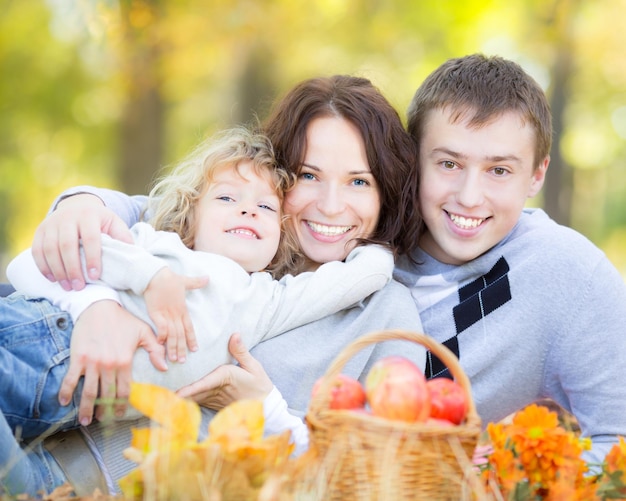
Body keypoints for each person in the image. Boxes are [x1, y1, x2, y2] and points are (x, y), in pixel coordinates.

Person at [1, 75, 425, 496]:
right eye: (308, 175)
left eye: (359, 181)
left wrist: (266, 411)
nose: (331, 206)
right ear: (277, 176)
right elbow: (107, 223)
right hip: (33, 427)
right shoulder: (229, 231)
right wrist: (96, 306)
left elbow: (379, 478)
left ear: (385, 192)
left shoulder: (386, 310)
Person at [392, 53, 626, 466]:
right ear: (413, 159)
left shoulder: (568, 273)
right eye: (449, 163)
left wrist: (507, 483)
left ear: (536, 175)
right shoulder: (365, 245)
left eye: (498, 171)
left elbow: (618, 439)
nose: (468, 196)